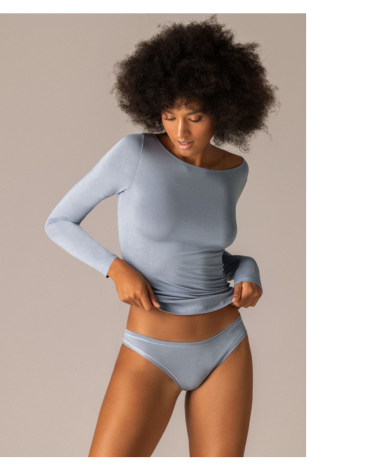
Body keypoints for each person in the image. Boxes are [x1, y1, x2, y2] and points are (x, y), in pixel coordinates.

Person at [44, 15, 278, 457]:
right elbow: (59, 221)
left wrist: (248, 269)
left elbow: (206, 252)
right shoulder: (134, 153)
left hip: (226, 344)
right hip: (151, 348)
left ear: (223, 111)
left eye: (195, 117)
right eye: (169, 116)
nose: (180, 131)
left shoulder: (235, 171)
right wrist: (115, 268)